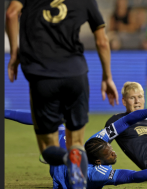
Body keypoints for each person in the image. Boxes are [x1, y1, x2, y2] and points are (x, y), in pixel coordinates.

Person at [6, 0, 119, 188]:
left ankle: (67, 157)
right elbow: (102, 41)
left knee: (48, 148)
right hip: (76, 75)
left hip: (42, 76)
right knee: (77, 142)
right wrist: (107, 77)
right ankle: (75, 161)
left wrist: (15, 53)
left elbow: (10, 14)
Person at [5, 100, 147, 189]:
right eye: (108, 153)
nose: (113, 151)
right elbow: (131, 176)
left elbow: (126, 121)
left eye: (110, 148)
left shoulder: (96, 143)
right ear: (98, 161)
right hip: (62, 171)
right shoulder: (95, 173)